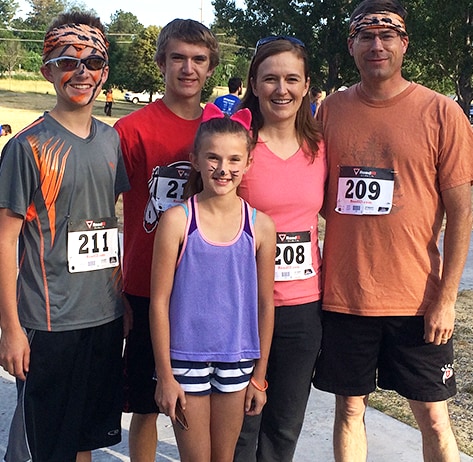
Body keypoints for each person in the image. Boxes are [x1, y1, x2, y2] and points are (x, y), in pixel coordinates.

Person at [312, 1, 473, 461]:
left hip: (417, 299)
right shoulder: (329, 113)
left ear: (404, 43)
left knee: (434, 416)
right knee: (349, 410)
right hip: (346, 294)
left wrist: (445, 299)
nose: (376, 44)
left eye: (388, 35)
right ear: (352, 46)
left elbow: (462, 213)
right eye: (366, 35)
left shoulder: (442, 113)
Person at [0, 11, 129, 462]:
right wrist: (11, 328)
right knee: (41, 447)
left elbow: (107, 225)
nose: (81, 72)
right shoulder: (26, 146)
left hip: (104, 318)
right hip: (48, 323)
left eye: (91, 61)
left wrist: (122, 300)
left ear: (104, 73)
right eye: (65, 60)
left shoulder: (112, 142)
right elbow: (4, 241)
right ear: (47, 70)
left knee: (84, 441)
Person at [113, 18, 220, 462]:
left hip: (203, 288)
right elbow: (104, 214)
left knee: (200, 402)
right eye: (178, 57)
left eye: (198, 59)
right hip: (143, 284)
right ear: (161, 63)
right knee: (145, 405)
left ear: (211, 67)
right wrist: (114, 287)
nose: (188, 68)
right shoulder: (132, 129)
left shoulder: (221, 127)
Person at [149, 102, 276, 462]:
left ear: (249, 163)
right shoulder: (177, 220)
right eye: (214, 158)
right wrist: (165, 375)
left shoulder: (261, 226)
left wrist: (259, 375)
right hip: (185, 359)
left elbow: (266, 304)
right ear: (195, 159)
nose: (224, 169)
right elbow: (160, 302)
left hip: (237, 358)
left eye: (235, 160)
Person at [234, 36, 327, 461]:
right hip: (242, 306)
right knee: (240, 428)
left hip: (303, 308)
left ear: (307, 85)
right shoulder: (238, 149)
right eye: (270, 78)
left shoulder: (321, 148)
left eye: (292, 78)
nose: (281, 89)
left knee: (284, 427)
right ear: (254, 83)